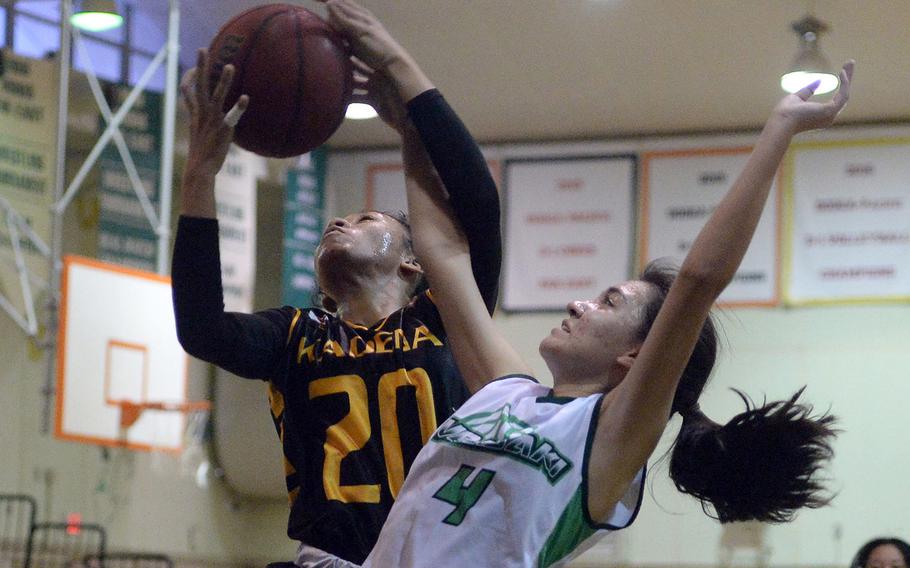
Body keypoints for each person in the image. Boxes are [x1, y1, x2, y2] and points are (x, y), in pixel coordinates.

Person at [354, 58, 855, 567]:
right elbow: (444, 255)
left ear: (637, 354)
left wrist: (781, 128)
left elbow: (697, 282)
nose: (578, 303)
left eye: (608, 302)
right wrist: (409, 132)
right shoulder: (505, 390)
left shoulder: (614, 433)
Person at [170, 3, 501, 563]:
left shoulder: (446, 320)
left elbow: (479, 204)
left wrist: (406, 85)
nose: (338, 223)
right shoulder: (297, 335)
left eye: (367, 221)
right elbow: (202, 329)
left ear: (414, 266)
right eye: (337, 221)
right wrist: (200, 173)